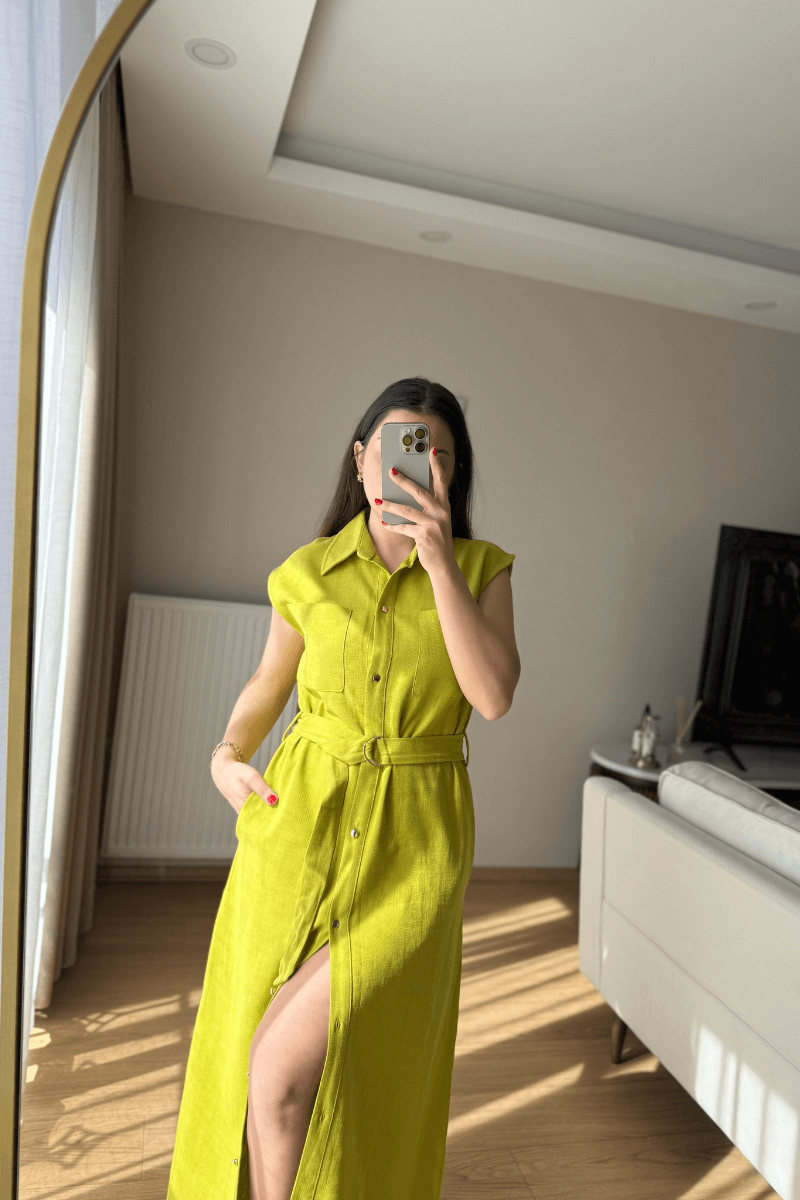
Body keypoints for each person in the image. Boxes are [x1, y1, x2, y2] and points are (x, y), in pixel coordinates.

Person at [165, 376, 520, 1200]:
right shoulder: (307, 573)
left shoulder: (481, 570)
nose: (417, 466)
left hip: (415, 847)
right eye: (399, 448)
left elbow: (493, 696)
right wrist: (226, 752)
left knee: (291, 1069)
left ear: (453, 476)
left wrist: (438, 561)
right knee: (264, 1074)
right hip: (298, 828)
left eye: (437, 456)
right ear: (361, 459)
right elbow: (269, 682)